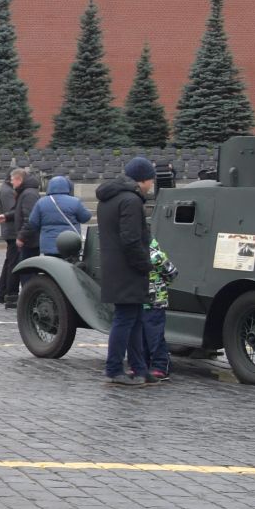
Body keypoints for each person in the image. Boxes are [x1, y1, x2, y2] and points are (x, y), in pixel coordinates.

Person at [94, 157, 157, 388]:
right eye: (151, 179)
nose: (151, 185)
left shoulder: (110, 198)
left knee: (135, 319)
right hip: (127, 269)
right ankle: (114, 369)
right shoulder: (130, 200)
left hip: (115, 267)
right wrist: (144, 264)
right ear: (143, 179)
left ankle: (140, 369)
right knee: (125, 320)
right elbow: (131, 240)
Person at [25, 175, 90, 256]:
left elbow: (33, 222)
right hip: (70, 244)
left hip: (48, 245)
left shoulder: (41, 202)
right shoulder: (74, 201)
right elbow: (85, 217)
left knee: (51, 267)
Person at [144, 235, 177, 384]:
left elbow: (172, 272)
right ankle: (142, 364)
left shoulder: (155, 256)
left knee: (154, 335)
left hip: (155, 302)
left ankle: (160, 366)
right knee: (142, 335)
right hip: (142, 301)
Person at [0, 168, 28, 306]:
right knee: (12, 263)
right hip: (12, 231)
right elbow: (13, 211)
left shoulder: (6, 189)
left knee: (10, 262)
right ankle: (9, 293)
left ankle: (2, 294)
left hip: (11, 231)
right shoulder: (7, 191)